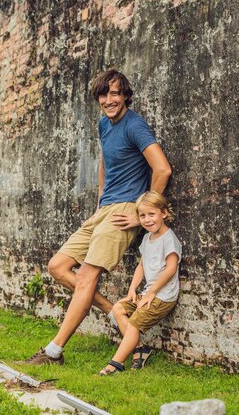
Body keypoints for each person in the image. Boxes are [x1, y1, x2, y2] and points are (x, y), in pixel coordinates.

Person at [25, 69, 172, 365]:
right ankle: (113, 315)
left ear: (125, 95)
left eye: (115, 93)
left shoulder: (135, 125)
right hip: (104, 210)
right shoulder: (104, 124)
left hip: (123, 212)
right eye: (104, 95)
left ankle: (54, 351)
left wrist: (141, 215)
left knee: (86, 278)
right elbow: (105, 161)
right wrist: (99, 202)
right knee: (58, 266)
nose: (109, 100)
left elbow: (162, 169)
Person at [99, 191, 181, 375]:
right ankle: (140, 349)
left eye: (152, 214)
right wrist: (132, 289)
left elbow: (171, 268)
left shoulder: (169, 239)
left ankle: (116, 364)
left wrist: (151, 293)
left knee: (134, 324)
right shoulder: (147, 238)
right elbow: (141, 265)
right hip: (148, 292)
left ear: (164, 213)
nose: (147, 220)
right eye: (142, 216)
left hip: (163, 295)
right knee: (118, 309)